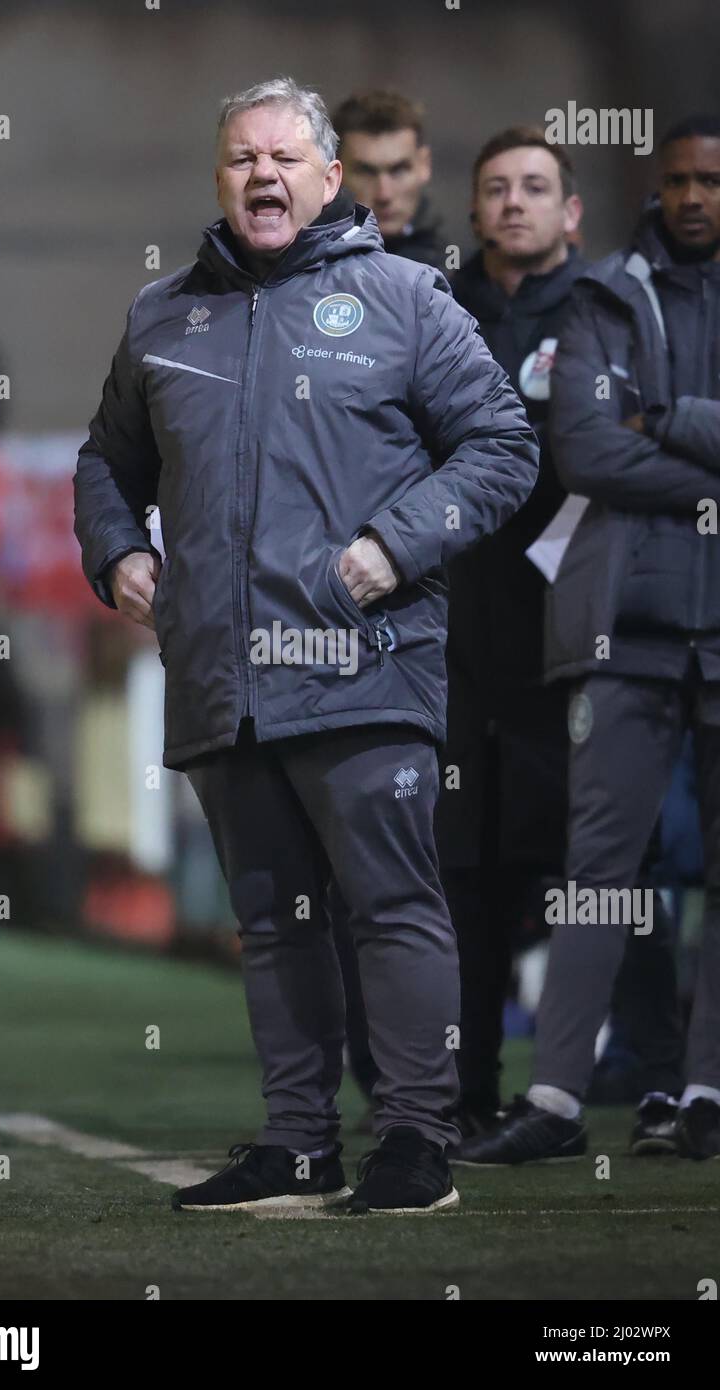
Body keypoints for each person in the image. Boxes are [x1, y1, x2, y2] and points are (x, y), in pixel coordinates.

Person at [74, 76, 538, 1214]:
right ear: (220, 177)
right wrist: (116, 554)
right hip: (223, 683)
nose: (263, 175)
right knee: (273, 926)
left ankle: (418, 1138)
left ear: (331, 178)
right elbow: (105, 462)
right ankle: (295, 1142)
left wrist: (397, 538)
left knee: (392, 907)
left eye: (287, 157)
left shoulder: (406, 299)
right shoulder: (161, 315)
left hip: (362, 663)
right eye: (242, 158)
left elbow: (500, 443)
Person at [457, 114, 720, 1166]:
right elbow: (585, 450)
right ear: (651, 189)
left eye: (710, 179)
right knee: (598, 869)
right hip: (622, 624)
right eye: (677, 181)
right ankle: (557, 1100)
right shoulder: (608, 294)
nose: (693, 196)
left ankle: (700, 1090)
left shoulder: (601, 305)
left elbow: (631, 436)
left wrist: (667, 419)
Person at [437, 126, 587, 1138]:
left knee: (589, 872)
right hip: (452, 634)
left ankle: (608, 1083)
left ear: (570, 211)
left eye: (535, 187)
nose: (514, 203)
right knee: (462, 874)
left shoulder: (605, 312)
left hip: (577, 636)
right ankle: (465, 1089)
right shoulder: (437, 308)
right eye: (495, 187)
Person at [329, 89, 450, 1116]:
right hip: (348, 633)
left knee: (454, 868)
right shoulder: (303, 298)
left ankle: (452, 1097)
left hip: (465, 618)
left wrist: (404, 542)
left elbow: (507, 452)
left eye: (397, 169)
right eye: (363, 171)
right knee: (345, 880)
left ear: (423, 167)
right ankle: (365, 1093)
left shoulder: (447, 291)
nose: (382, 191)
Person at [332, 89, 447, 266]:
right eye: (366, 172)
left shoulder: (458, 269)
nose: (384, 195)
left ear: (425, 164)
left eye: (398, 170)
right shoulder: (303, 267)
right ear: (333, 173)